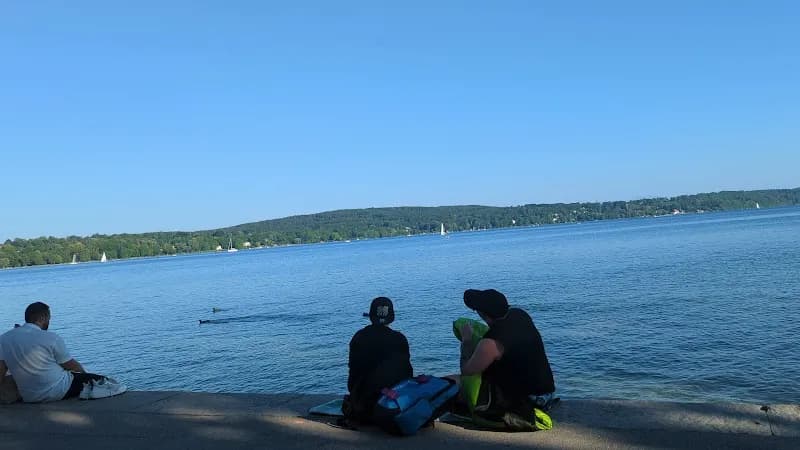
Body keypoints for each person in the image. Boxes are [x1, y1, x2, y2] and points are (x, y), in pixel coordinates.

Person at [458, 289, 555, 419]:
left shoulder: (491, 342)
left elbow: (467, 371)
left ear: (483, 314)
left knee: (453, 383)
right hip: (547, 394)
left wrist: (467, 340)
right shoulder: (520, 315)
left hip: (527, 404)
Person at [0, 302, 105, 402]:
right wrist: (86, 376)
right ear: (42, 318)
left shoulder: (4, 339)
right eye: (48, 319)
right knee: (103, 381)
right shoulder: (51, 338)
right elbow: (71, 365)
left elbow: (2, 369)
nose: (49, 322)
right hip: (59, 390)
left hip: (29, 396)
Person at [344, 297, 413, 423]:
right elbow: (407, 375)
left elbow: (352, 376)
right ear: (391, 317)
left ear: (370, 316)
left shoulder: (359, 337)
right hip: (392, 406)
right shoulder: (399, 339)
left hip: (362, 407)